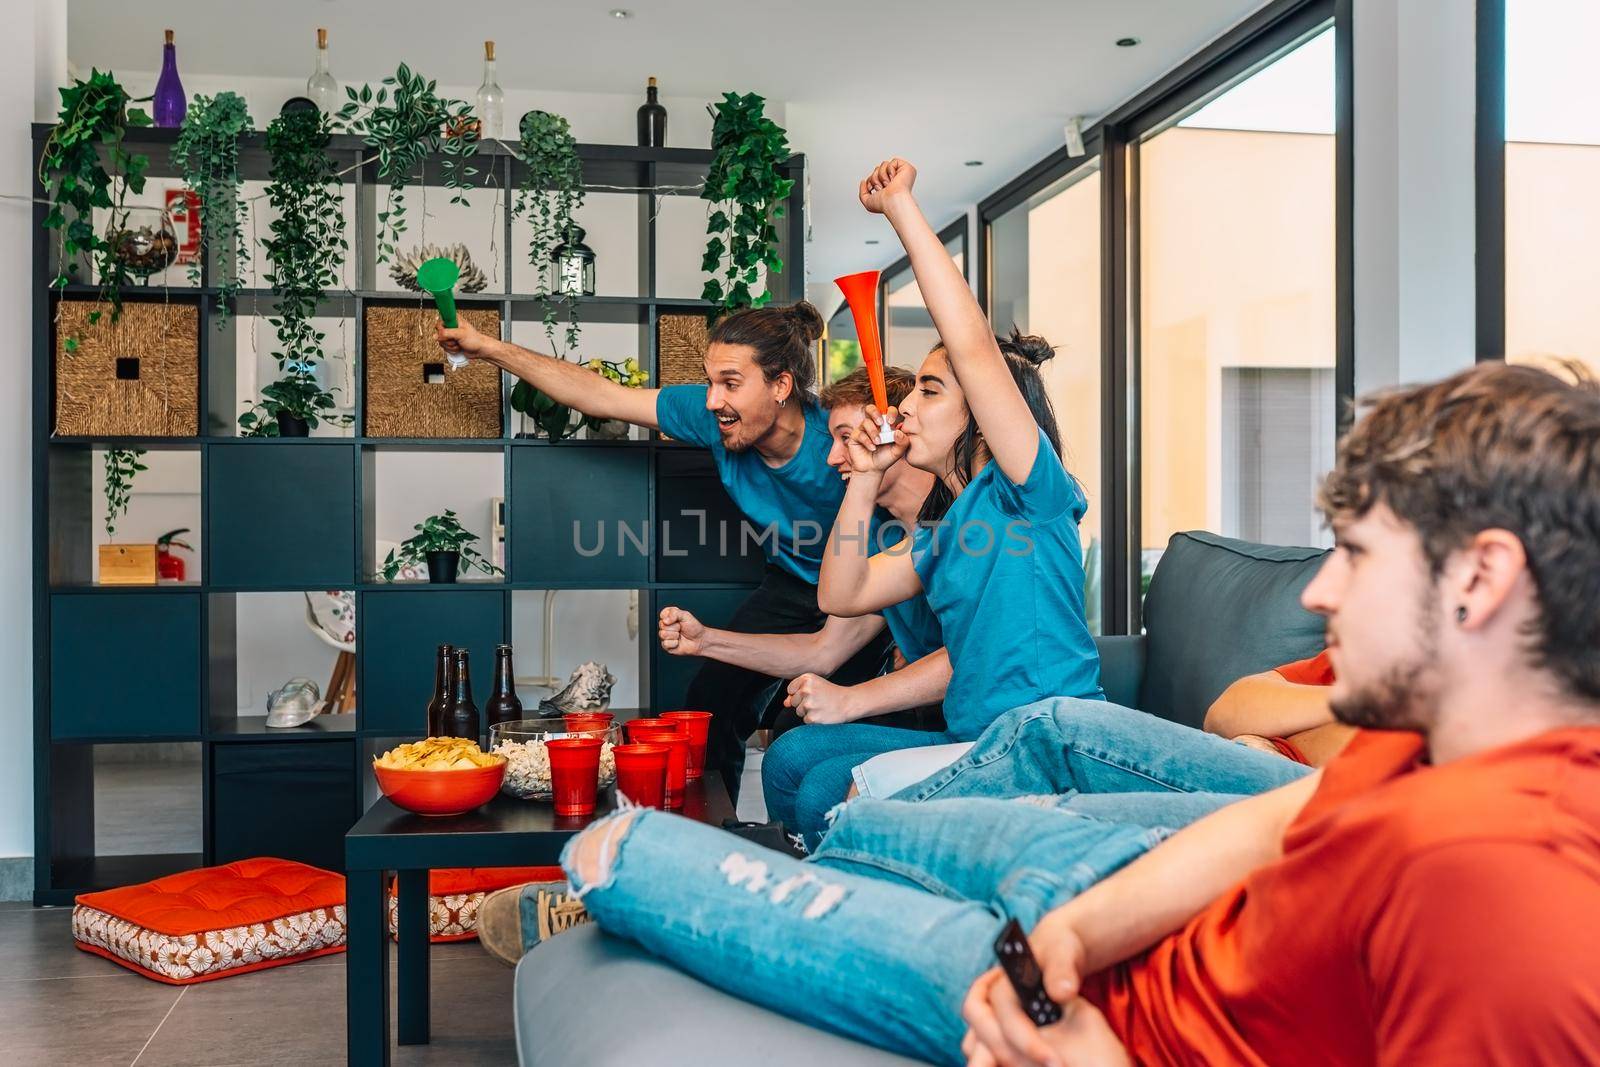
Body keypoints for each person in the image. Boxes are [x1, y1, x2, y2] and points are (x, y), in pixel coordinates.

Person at [553, 360, 1600, 1066]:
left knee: (629, 854)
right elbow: (1273, 818)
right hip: (1105, 932)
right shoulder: (1436, 745)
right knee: (867, 817)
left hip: (1102, 1026)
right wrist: (1078, 927)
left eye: (1356, 555)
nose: (1318, 592)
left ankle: (610, 882)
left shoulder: (1505, 897)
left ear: (1480, 580)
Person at [753, 158, 1102, 845]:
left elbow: (971, 346)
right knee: (793, 758)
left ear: (986, 413)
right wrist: (862, 474)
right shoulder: (952, 529)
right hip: (975, 739)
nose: (906, 404)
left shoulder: (1032, 491)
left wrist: (902, 207)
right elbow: (841, 593)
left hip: (1043, 745)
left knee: (832, 789)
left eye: (930, 391)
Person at [437, 303, 887, 798]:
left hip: (863, 588)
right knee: (710, 701)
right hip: (792, 582)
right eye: (710, 381)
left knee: (804, 729)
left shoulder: (841, 442)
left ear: (781, 386)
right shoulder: (714, 418)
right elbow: (601, 396)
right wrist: (488, 348)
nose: (713, 400)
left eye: (731, 383)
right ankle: (716, 830)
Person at [657, 366, 952, 838]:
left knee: (813, 778)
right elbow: (822, 649)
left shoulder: (963, 525)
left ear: (896, 432)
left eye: (846, 437)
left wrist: (851, 699)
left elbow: (977, 656)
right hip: (936, 712)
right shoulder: (882, 536)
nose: (834, 455)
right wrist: (706, 641)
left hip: (962, 716)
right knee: (789, 750)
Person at [1205, 648, 1356, 765]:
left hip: (1303, 788)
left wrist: (1283, 730)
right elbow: (1221, 715)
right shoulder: (1355, 656)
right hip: (1249, 756)